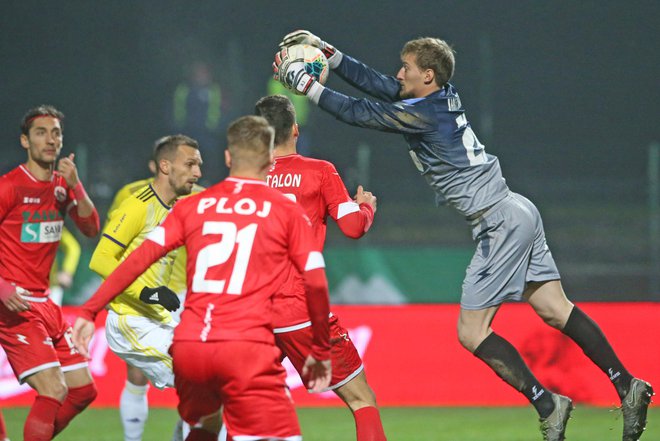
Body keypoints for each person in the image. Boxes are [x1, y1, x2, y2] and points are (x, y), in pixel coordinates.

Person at [274, 31, 654, 441]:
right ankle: (627, 384)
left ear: (429, 76)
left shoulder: (423, 114)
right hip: (517, 208)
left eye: (407, 69)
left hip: (499, 222)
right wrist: (334, 56)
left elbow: (362, 112)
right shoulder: (439, 96)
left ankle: (548, 404)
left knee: (471, 333)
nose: (399, 74)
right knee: (556, 310)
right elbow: (383, 87)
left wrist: (308, 85)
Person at [72, 115, 332, 441]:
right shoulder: (285, 209)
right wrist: (320, 349)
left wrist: (88, 310)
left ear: (227, 157)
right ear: (270, 159)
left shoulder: (194, 206)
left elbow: (133, 262)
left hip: (191, 345)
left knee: (205, 425)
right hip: (244, 345)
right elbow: (317, 282)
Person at [255, 94, 386, 441]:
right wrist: (366, 207)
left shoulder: (246, 181)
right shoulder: (319, 172)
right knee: (361, 400)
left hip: (253, 312)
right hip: (300, 308)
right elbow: (353, 227)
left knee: (247, 411)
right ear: (295, 130)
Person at [87, 134, 201, 441]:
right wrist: (147, 292)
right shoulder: (136, 205)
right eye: (190, 164)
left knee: (211, 381)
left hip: (161, 314)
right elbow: (99, 260)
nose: (198, 173)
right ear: (165, 166)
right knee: (202, 384)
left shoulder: (179, 205)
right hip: (131, 320)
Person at [0, 105, 100, 441]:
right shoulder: (9, 187)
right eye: (41, 133)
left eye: (55, 133)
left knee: (83, 391)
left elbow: (90, 227)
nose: (50, 139)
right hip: (15, 306)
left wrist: (77, 186)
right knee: (54, 389)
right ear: (25, 142)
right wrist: (1, 287)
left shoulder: (62, 185)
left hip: (47, 304)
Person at [48, 226, 81, 305]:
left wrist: (67, 271)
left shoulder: (51, 222)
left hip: (50, 286)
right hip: (21, 285)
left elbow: (73, 248)